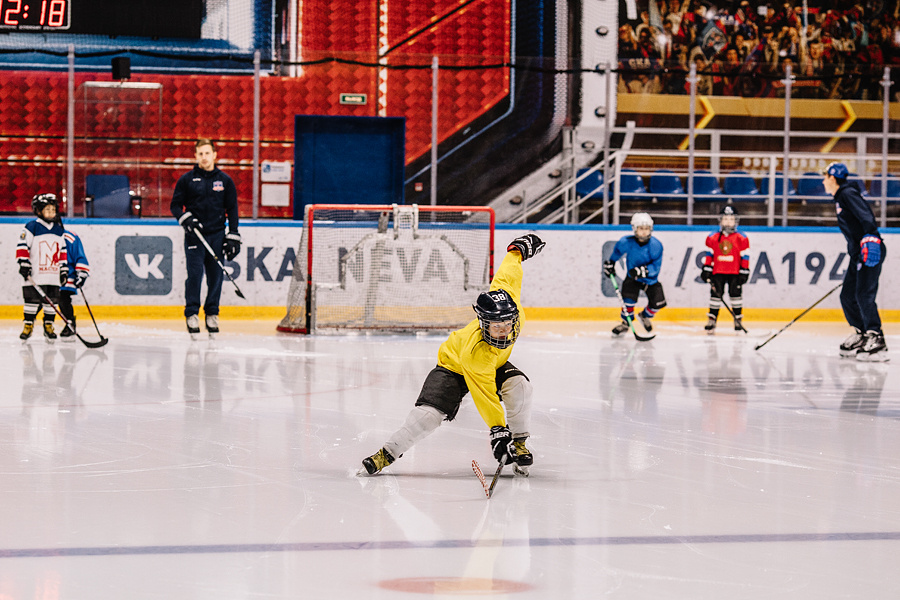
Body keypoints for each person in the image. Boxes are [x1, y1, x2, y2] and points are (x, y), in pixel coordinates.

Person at [359, 234, 546, 478]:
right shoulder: (474, 351)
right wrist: (498, 431)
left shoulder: (514, 312)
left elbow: (507, 276)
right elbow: (484, 394)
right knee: (427, 416)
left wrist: (516, 251)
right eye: (496, 326)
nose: (503, 331)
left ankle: (519, 443)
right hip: (453, 367)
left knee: (520, 387)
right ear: (483, 323)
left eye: (507, 324)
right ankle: (387, 453)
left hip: (493, 364)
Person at [170, 138, 241, 338]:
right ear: (195, 156)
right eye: (200, 154)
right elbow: (175, 205)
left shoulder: (225, 181)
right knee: (194, 275)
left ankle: (212, 313)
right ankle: (192, 313)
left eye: (207, 153)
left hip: (217, 235)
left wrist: (233, 234)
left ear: (214, 155)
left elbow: (232, 209)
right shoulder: (186, 180)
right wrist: (186, 219)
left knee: (215, 276)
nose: (204, 157)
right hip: (195, 236)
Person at [822, 162, 888, 361]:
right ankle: (862, 333)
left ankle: (876, 337)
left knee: (863, 294)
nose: (823, 181)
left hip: (869, 249)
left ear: (833, 178)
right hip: (857, 254)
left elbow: (866, 216)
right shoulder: (840, 197)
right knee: (847, 296)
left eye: (825, 177)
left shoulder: (847, 194)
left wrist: (871, 237)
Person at [15, 193, 68, 341]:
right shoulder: (32, 226)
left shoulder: (59, 230)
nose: (51, 213)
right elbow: (22, 245)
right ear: (38, 211)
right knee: (31, 302)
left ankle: (48, 326)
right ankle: (28, 325)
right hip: (35, 274)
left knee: (52, 303)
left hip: (53, 275)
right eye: (47, 210)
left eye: (53, 210)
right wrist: (24, 263)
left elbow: (62, 251)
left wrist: (63, 269)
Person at [603, 212, 665, 336]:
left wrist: (642, 271)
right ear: (635, 229)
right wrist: (611, 263)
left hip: (650, 280)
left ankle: (644, 316)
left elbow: (655, 267)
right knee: (628, 303)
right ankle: (625, 324)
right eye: (641, 228)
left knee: (658, 304)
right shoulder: (626, 242)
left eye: (647, 228)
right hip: (632, 278)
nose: (644, 232)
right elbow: (617, 252)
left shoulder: (656, 245)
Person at [700, 206, 750, 333]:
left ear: (736, 221)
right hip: (718, 271)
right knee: (715, 296)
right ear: (720, 220)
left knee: (736, 296)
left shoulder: (742, 237)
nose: (728, 222)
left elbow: (745, 256)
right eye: (725, 219)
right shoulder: (712, 237)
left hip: (735, 272)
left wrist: (744, 270)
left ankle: (738, 320)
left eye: (731, 219)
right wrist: (707, 268)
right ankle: (712, 320)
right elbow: (709, 254)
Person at [58, 229, 91, 339]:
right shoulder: (42, 234)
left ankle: (70, 323)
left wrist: (82, 272)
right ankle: (40, 324)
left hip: (68, 275)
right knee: (41, 299)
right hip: (48, 273)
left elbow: (79, 255)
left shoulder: (70, 237)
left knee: (63, 300)